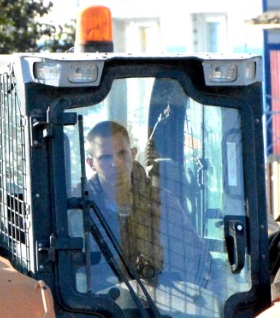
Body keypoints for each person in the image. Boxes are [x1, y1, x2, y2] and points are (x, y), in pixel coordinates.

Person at [83, 120, 209, 287]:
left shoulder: (164, 204)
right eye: (106, 157)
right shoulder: (78, 210)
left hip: (159, 307)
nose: (116, 163)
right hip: (102, 309)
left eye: (122, 154)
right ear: (91, 163)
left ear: (133, 154)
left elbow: (196, 263)